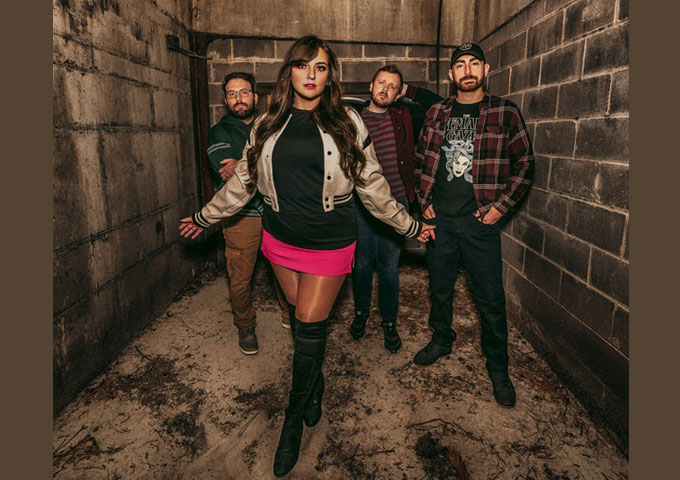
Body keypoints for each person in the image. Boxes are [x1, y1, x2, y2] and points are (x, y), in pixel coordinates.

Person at [179, 35, 434, 477]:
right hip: (280, 239)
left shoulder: (348, 121)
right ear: (289, 72)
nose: (311, 75)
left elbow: (373, 186)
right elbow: (243, 182)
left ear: (330, 75)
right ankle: (315, 383)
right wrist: (206, 216)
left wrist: (408, 225)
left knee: (311, 326)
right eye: (302, 65)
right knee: (301, 320)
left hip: (330, 241)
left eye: (320, 67)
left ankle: (292, 421)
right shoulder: (266, 122)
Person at [413, 42, 534, 408]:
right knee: (440, 288)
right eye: (460, 65)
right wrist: (423, 203)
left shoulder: (504, 112)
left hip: (479, 222)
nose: (467, 70)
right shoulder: (436, 112)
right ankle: (441, 339)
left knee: (491, 299)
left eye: (474, 64)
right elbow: (420, 159)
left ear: (486, 69)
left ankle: (498, 366)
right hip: (440, 221)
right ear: (451, 74)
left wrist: (500, 208)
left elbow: (525, 165)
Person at [350, 65, 442, 353]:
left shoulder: (403, 116)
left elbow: (438, 105)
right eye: (381, 82)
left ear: (398, 92)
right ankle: (361, 313)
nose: (385, 89)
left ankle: (388, 322)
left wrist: (409, 91)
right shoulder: (354, 119)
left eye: (393, 86)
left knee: (389, 267)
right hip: (363, 204)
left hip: (398, 201)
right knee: (362, 263)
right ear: (371, 86)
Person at [206, 72, 289, 356]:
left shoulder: (271, 126)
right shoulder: (219, 132)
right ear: (226, 100)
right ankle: (245, 325)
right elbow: (231, 175)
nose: (238, 99)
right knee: (240, 276)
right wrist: (262, 162)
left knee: (283, 268)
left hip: (275, 211)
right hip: (241, 216)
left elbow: (284, 165)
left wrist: (244, 162)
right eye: (231, 94)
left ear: (254, 97)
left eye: (243, 92)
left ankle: (289, 313)